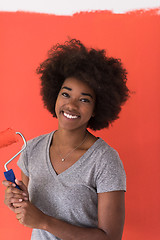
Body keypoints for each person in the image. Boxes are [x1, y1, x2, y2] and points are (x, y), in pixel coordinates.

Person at [3, 39, 130, 240]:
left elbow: (110, 238)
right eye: (65, 94)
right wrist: (16, 201)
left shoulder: (105, 160)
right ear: (55, 95)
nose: (71, 105)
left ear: (96, 109)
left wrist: (44, 221)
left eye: (84, 99)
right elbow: (28, 208)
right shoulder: (32, 149)